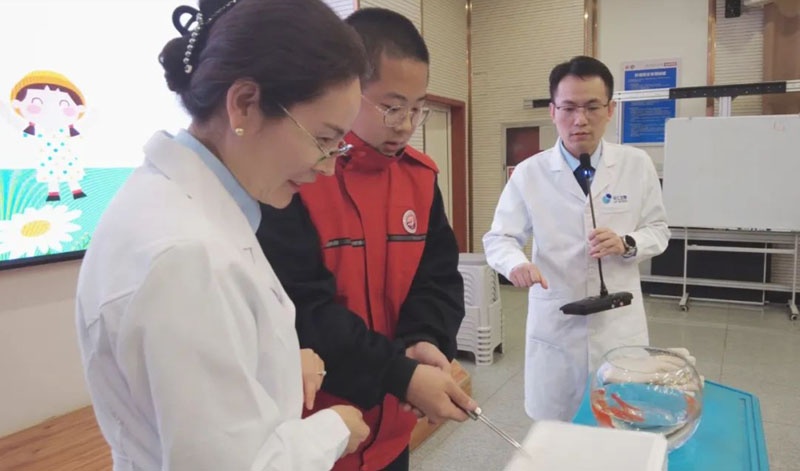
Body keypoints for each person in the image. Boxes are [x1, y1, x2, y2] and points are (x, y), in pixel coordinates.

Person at [74, 1, 373, 469]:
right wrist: (334, 428)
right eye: (322, 140)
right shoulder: (186, 256)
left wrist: (274, 362)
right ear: (245, 104)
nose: (329, 167)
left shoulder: (182, 207)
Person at [257, 8, 475, 471]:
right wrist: (399, 373)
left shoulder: (420, 178)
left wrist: (424, 340)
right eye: (392, 107)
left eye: (417, 108)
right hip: (317, 434)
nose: (406, 124)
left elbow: (436, 279)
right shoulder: (296, 179)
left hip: (392, 428)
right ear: (347, 88)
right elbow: (301, 309)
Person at [482, 55, 670, 422]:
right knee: (558, 426)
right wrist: (516, 263)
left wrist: (627, 243)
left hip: (618, 323)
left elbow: (659, 229)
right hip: (558, 321)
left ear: (610, 110)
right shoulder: (530, 173)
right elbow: (499, 237)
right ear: (553, 112)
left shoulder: (636, 165)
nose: (579, 120)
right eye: (568, 108)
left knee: (618, 422)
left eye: (592, 107)